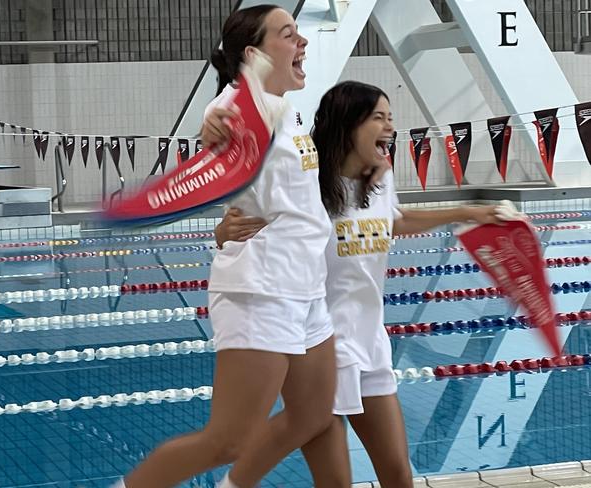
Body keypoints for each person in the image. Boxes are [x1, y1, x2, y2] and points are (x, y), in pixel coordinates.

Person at [215, 81, 506, 487]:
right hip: (319, 349)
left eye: (391, 118)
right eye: (379, 118)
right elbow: (247, 228)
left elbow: (396, 221)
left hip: (370, 342)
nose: (390, 127)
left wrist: (468, 212)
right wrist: (223, 232)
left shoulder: (379, 180)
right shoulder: (304, 186)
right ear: (349, 124)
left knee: (398, 475)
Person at [115, 6, 338, 488]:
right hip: (262, 289)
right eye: (288, 35)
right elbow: (219, 124)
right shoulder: (235, 106)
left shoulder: (286, 104)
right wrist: (212, 127)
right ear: (255, 54)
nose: (302, 43)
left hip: (306, 288)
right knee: (227, 440)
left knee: (313, 414)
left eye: (299, 33)